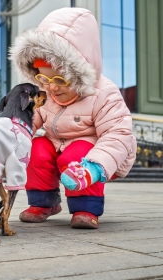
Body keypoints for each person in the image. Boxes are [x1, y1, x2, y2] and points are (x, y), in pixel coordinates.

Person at [9, 7, 137, 229]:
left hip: (90, 152)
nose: (51, 87)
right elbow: (26, 121)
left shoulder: (103, 93)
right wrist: (5, 141)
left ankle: (86, 207)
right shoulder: (45, 92)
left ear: (79, 73)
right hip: (55, 144)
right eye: (42, 78)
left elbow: (118, 133)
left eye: (60, 79)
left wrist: (95, 167)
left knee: (76, 154)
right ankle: (44, 203)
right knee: (35, 147)